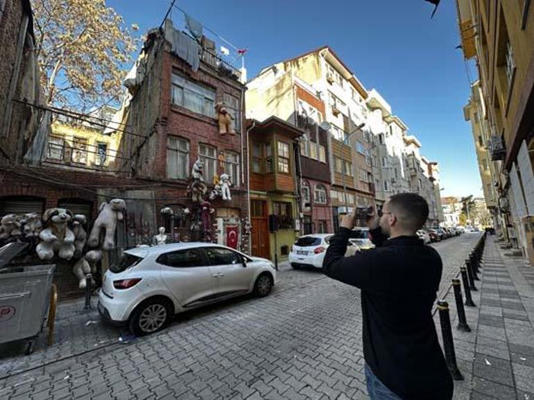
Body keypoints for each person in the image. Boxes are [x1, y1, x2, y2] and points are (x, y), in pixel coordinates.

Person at [323, 193, 453, 400]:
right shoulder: (431, 257)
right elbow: (394, 252)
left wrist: (345, 228)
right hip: (432, 370)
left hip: (392, 380)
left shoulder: (377, 262)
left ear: (391, 219)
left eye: (383, 213)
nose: (381, 217)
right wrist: (375, 227)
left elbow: (330, 264)